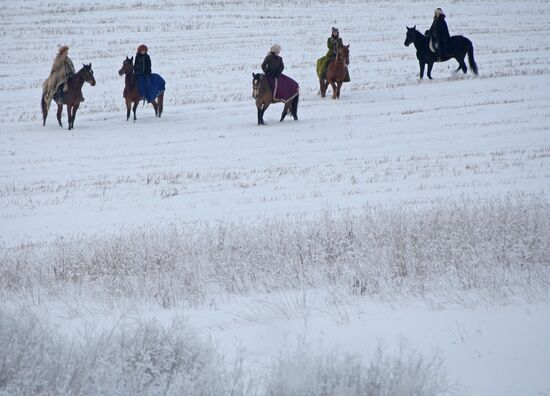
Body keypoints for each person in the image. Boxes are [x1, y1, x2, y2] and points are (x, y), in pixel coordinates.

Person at [42, 45, 77, 111]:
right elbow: (55, 68)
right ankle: (60, 98)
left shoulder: (67, 59)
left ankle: (78, 96)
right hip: (59, 77)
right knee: (60, 85)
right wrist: (62, 73)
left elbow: (71, 67)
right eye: (66, 52)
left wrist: (71, 72)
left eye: (67, 52)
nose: (67, 53)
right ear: (63, 52)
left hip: (68, 75)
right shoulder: (58, 59)